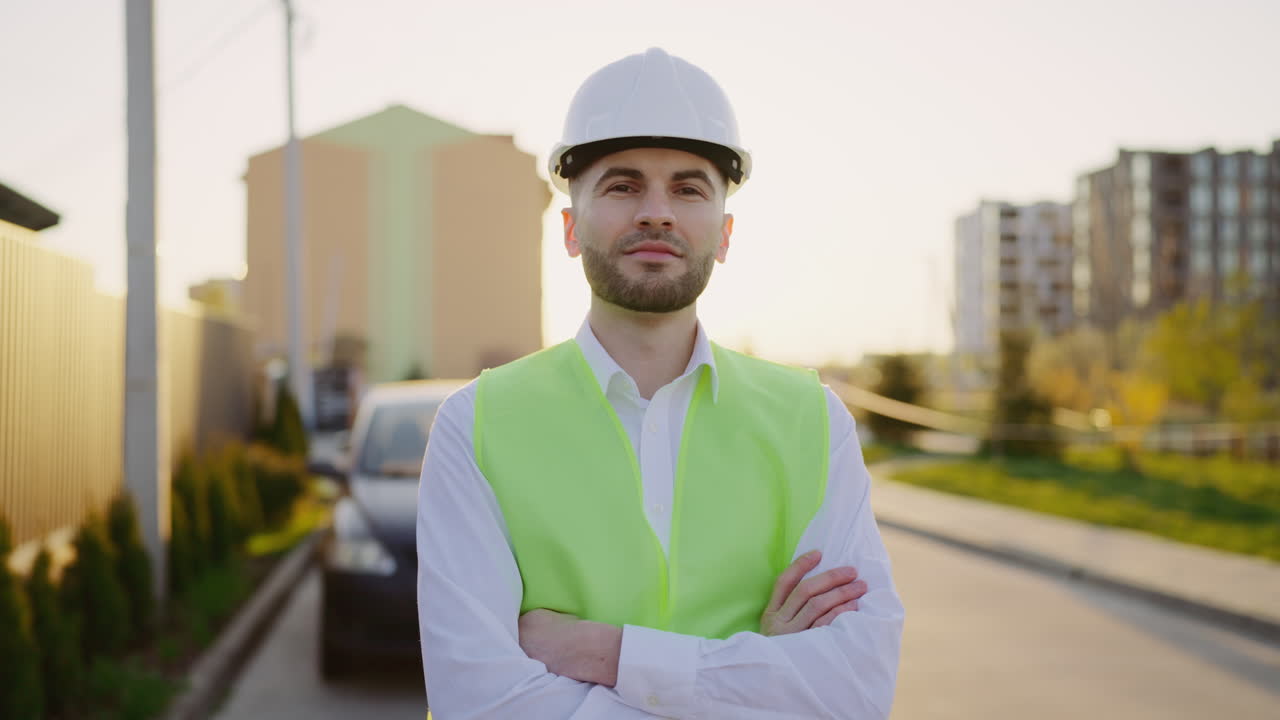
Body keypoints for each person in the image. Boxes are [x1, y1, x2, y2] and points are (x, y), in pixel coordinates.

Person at [416, 47, 903, 719]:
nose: (656, 213)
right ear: (569, 228)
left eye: (687, 187)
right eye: (621, 185)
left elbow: (854, 691)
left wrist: (607, 654)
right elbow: (481, 702)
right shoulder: (475, 425)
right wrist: (757, 673)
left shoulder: (813, 421)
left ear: (724, 234)